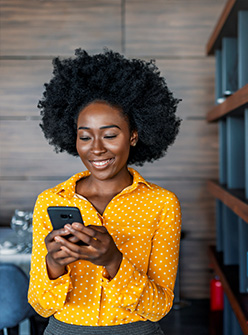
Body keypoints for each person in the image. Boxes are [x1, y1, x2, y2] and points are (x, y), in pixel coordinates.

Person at [28, 49, 182, 335]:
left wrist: (113, 261)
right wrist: (53, 264)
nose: (96, 148)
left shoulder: (162, 203)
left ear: (133, 135)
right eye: (85, 136)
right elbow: (41, 305)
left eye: (110, 135)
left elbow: (159, 307)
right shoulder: (51, 201)